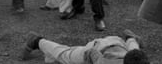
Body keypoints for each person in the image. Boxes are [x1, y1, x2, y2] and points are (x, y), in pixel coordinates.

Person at [21, 30, 149, 64]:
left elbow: (135, 54)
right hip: (98, 47)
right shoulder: (105, 63)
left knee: (134, 51)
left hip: (119, 44)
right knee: (66, 56)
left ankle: (130, 38)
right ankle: (37, 41)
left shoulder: (137, 60)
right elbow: (91, 53)